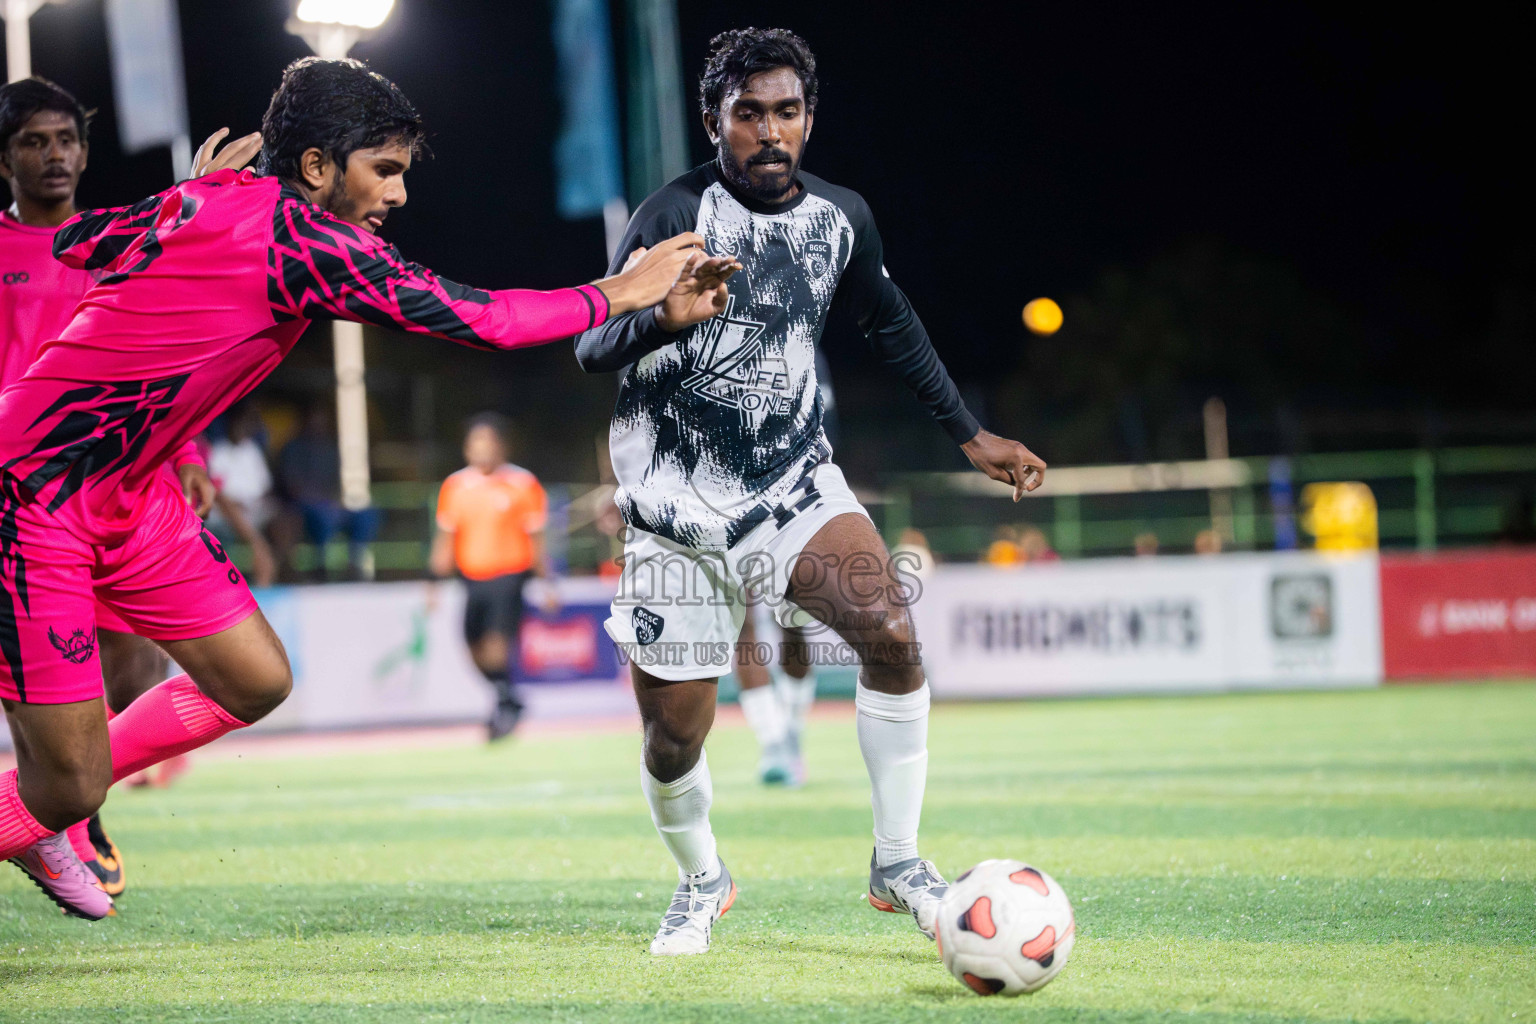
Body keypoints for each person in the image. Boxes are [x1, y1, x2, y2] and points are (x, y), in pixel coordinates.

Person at [0, 56, 735, 921]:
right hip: (34, 492)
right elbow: (485, 320)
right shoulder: (301, 241)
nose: (397, 194)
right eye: (383, 169)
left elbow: (84, 243)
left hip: (133, 495)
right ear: (317, 167)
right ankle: (35, 812)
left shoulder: (218, 203)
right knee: (71, 784)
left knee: (254, 680)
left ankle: (41, 805)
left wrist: (186, 201)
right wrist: (622, 291)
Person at [575, 28, 1046, 955]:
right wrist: (662, 315)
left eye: (785, 112)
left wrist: (970, 433)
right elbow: (591, 344)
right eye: (747, 114)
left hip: (793, 485)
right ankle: (700, 880)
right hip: (675, 515)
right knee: (674, 739)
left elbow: (893, 321)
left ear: (809, 118)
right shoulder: (671, 216)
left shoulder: (843, 218)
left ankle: (900, 859)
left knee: (893, 635)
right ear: (716, 121)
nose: (768, 132)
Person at [0, 78, 258, 900]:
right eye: (35, 142)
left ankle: (68, 811)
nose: (55, 156)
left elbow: (167, 354)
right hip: (21, 492)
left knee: (126, 656)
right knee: (37, 663)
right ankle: (53, 809)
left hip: (119, 488)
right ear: (5, 157)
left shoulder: (115, 240)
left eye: (67, 140)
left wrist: (188, 456)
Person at [431, 413, 553, 741]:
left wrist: (547, 581)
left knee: (497, 644)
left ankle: (504, 704)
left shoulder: (522, 483)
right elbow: (445, 538)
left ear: (502, 446)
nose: (481, 449)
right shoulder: (455, 486)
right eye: (475, 442)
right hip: (471, 577)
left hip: (511, 575)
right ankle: (507, 696)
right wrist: (432, 581)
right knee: (472, 646)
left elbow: (537, 539)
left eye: (488, 442)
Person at [277, 403, 379, 580]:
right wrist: (321, 502)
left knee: (367, 514)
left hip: (330, 505)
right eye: (314, 419)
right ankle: (321, 568)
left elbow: (337, 486)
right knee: (323, 516)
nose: (318, 424)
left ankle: (354, 564)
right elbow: (293, 487)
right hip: (302, 507)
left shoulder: (330, 449)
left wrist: (335, 502)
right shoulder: (292, 449)